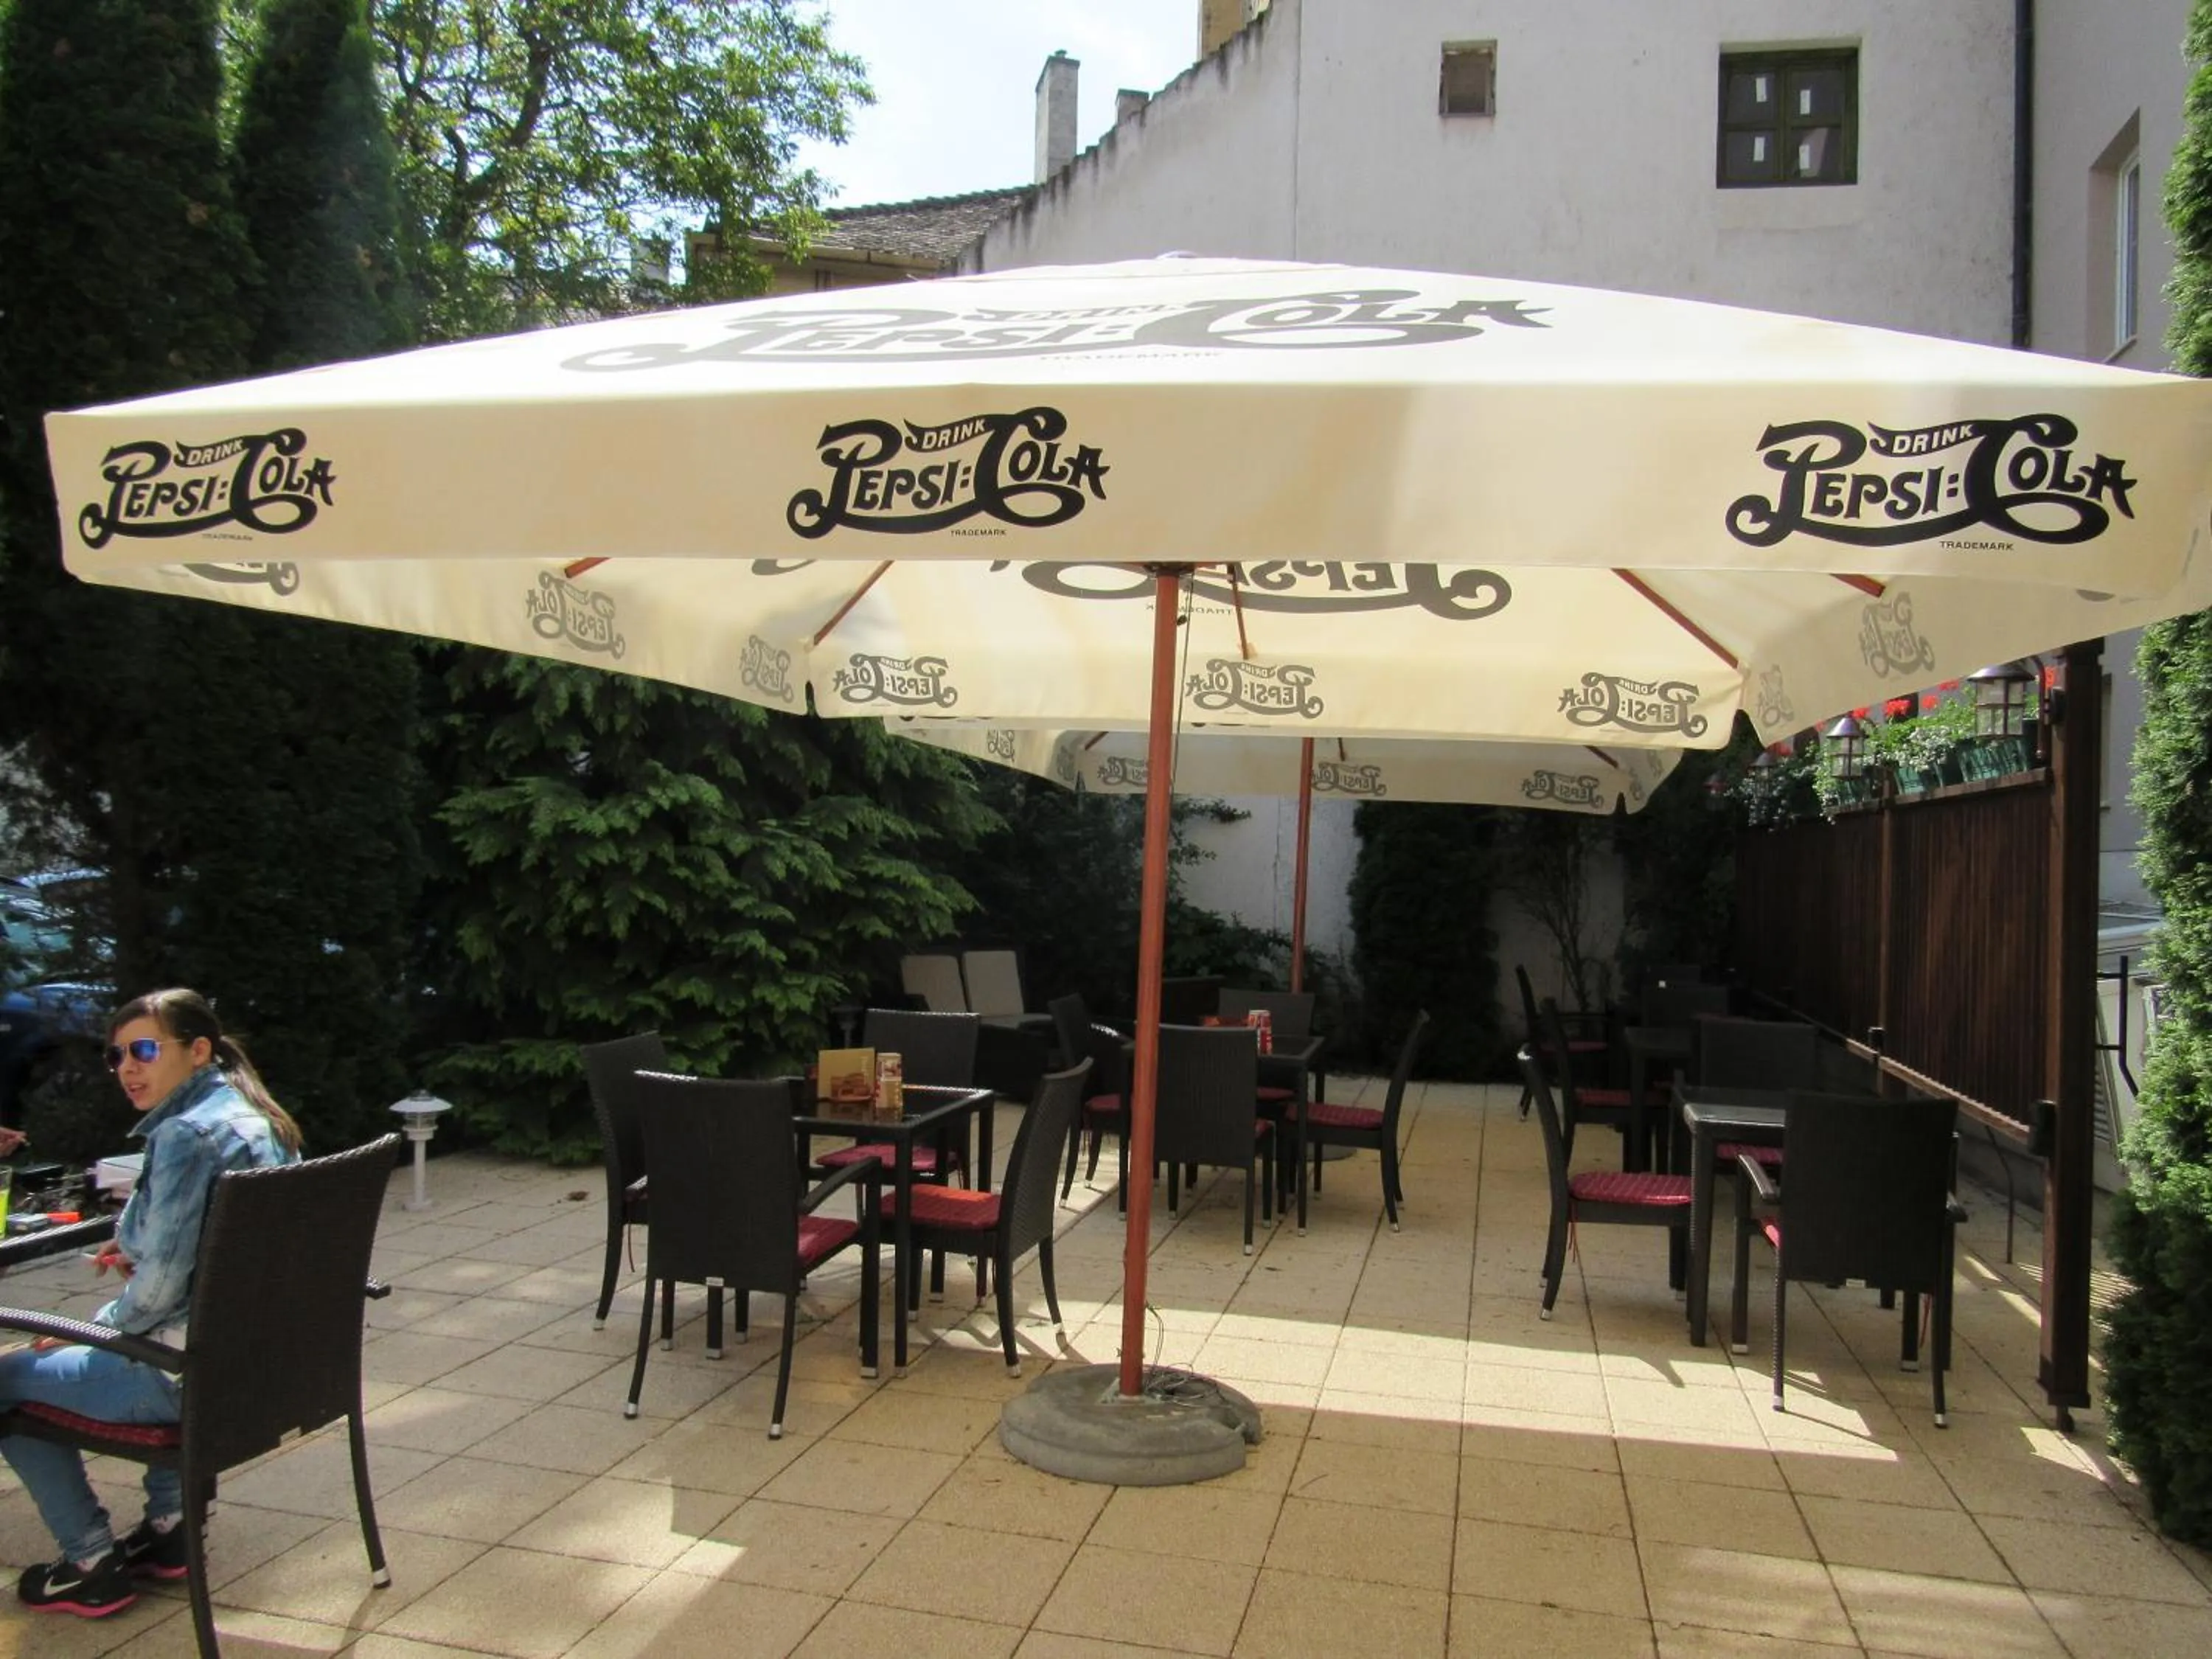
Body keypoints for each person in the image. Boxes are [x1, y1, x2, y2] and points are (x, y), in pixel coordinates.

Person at [0, 990, 300, 1618]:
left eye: (143, 1050)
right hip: (257, 1367)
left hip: (188, 1376)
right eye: (116, 1056)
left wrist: (89, 1330)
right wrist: (137, 1240)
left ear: (197, 1052)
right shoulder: (259, 1116)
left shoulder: (186, 1135)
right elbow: (209, 1251)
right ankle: (169, 1531)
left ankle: (90, 1563)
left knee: (5, 1375)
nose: (127, 1069)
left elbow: (160, 1291)